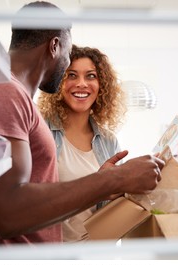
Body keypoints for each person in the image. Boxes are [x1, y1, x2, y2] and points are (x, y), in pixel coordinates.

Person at [0, 1, 164, 245]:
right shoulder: (7, 92)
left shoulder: (13, 94)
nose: (70, 74)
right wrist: (115, 179)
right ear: (55, 46)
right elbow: (5, 214)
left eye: (90, 76)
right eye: (68, 58)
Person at [37, 45, 127, 242]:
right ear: (58, 81)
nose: (81, 84)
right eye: (71, 75)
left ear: (102, 84)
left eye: (91, 76)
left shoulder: (108, 141)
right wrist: (100, 186)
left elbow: (115, 208)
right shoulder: (40, 131)